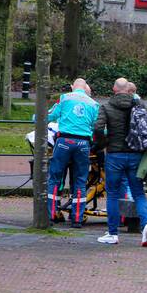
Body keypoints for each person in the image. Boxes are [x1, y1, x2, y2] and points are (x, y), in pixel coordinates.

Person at [94, 77, 147, 246]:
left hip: (114, 154)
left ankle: (113, 233)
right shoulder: (138, 105)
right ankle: (146, 225)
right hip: (135, 154)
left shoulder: (106, 107)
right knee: (138, 193)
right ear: (129, 89)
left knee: (113, 194)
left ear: (114, 88)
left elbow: (98, 128)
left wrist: (103, 143)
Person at [46, 78, 99, 227]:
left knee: (55, 177)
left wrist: (36, 118)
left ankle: (51, 215)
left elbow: (50, 116)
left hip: (64, 141)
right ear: (86, 88)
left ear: (72, 87)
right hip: (83, 144)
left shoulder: (65, 98)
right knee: (80, 181)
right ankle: (77, 218)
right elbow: (99, 126)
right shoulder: (93, 104)